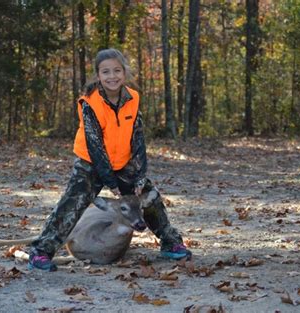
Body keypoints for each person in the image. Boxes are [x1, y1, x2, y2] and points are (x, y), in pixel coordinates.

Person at [29, 48, 191, 271]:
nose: (112, 76)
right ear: (98, 75)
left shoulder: (132, 98)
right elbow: (95, 147)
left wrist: (139, 176)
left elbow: (138, 139)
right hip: (91, 163)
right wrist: (112, 184)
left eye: (117, 71)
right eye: (106, 72)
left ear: (124, 73)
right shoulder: (90, 103)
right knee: (72, 203)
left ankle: (170, 243)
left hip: (124, 162)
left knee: (150, 198)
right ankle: (41, 251)